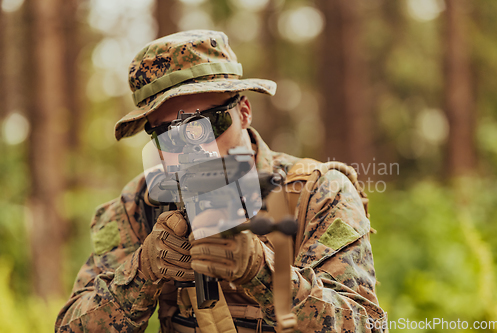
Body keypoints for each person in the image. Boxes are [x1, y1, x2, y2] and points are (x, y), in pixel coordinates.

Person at [55, 30, 387, 333]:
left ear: (244, 111)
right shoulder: (137, 207)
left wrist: (264, 273)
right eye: (168, 135)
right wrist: (141, 274)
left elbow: (365, 325)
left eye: (207, 124)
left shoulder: (317, 194)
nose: (193, 149)